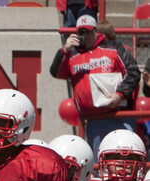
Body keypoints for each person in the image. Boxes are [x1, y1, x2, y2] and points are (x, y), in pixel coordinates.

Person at [50, 13, 140, 151]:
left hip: (119, 115)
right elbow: (55, 73)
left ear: (96, 32)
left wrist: (119, 95)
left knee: (124, 157)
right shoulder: (72, 55)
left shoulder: (114, 48)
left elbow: (133, 72)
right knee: (98, 164)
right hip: (92, 118)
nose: (85, 36)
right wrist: (64, 51)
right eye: (81, 32)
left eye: (89, 32)